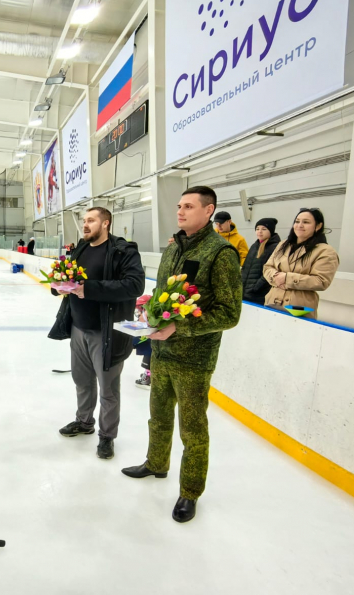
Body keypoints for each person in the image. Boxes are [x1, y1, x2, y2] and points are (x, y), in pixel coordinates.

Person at [122, 186, 242, 524]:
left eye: (188, 206)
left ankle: (190, 492)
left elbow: (229, 314)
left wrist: (180, 327)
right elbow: (166, 293)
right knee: (158, 416)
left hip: (193, 358)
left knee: (192, 430)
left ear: (209, 210)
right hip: (161, 351)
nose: (180, 211)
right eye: (179, 205)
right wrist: (151, 304)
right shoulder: (174, 247)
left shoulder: (221, 253)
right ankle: (156, 463)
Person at [49, 207, 145, 460]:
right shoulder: (81, 248)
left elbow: (134, 285)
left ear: (106, 223)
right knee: (82, 381)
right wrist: (58, 286)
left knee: (108, 390)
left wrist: (89, 289)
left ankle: (107, 436)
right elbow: (66, 277)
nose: (85, 225)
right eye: (84, 220)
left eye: (91, 220)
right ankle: (84, 422)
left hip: (107, 333)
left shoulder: (123, 250)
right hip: (78, 328)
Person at [262, 208, 339, 319]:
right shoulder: (283, 245)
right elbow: (267, 267)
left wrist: (287, 278)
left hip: (299, 308)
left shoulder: (325, 251)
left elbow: (321, 281)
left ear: (318, 226)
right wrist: (275, 276)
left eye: (306, 222)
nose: (300, 225)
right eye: (297, 221)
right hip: (272, 302)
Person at [241, 218, 281, 306]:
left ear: (271, 231)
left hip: (258, 295)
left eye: (264, 229)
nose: (260, 231)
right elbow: (245, 267)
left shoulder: (275, 247)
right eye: (257, 229)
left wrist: (256, 287)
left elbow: (271, 271)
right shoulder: (254, 246)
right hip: (244, 292)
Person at [134, 294, 152, 389]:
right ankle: (149, 373)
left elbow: (140, 337)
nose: (139, 312)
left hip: (152, 346)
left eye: (140, 309)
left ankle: (148, 377)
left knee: (149, 355)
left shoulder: (150, 321)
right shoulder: (145, 319)